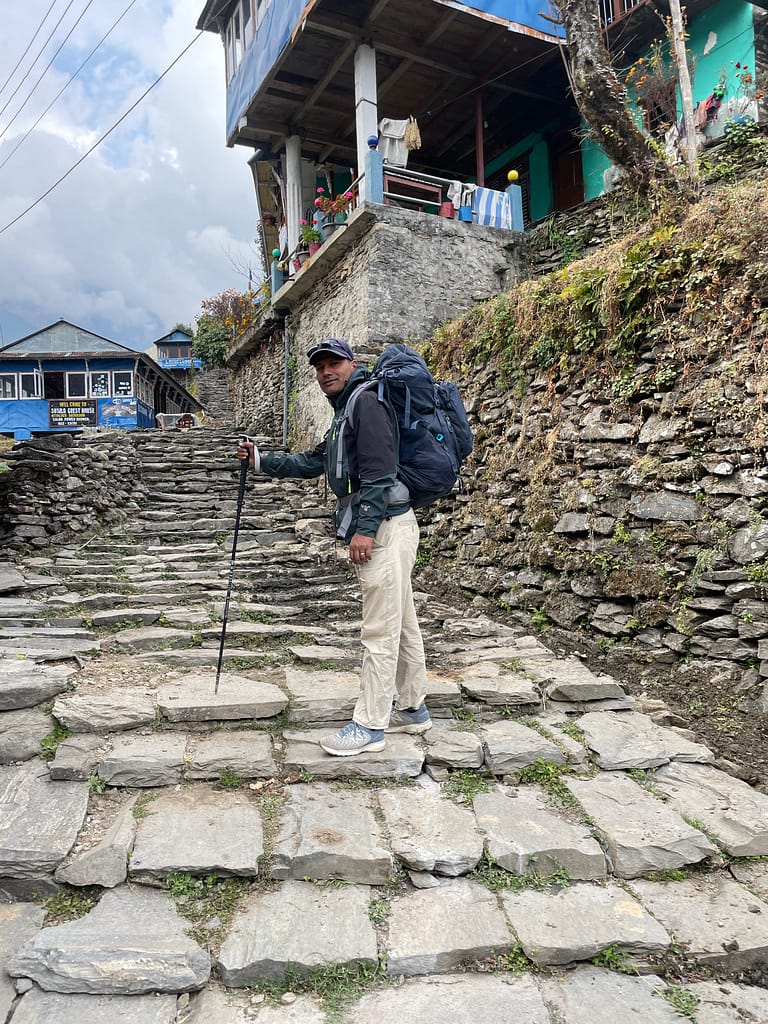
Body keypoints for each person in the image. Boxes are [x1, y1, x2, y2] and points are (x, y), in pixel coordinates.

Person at [237, 338, 431, 757]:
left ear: (352, 363)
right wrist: (261, 461)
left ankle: (370, 725)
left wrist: (364, 530)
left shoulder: (366, 404)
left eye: (334, 363)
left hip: (385, 529)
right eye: (320, 366)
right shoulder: (347, 410)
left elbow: (379, 475)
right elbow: (315, 462)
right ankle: (413, 709)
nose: (326, 371)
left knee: (379, 629)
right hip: (390, 526)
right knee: (402, 620)